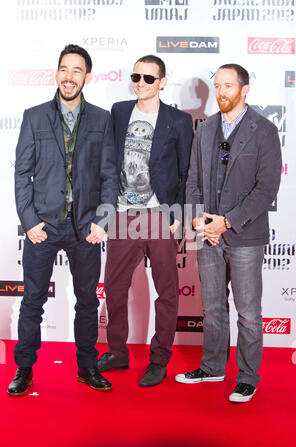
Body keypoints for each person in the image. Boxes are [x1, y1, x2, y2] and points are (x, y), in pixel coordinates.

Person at [8, 44, 118, 396]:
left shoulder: (102, 119)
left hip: (85, 228)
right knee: (33, 301)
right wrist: (29, 222)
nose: (69, 77)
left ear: (87, 76)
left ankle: (87, 366)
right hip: (44, 226)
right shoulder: (34, 116)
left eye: (77, 71)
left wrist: (103, 220)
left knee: (87, 301)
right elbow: (22, 173)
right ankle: (24, 368)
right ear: (57, 73)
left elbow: (109, 176)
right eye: (64, 69)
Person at [175, 64, 282, 403]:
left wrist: (228, 221)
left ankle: (248, 376)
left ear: (245, 89)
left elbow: (267, 189)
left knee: (248, 312)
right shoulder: (204, 130)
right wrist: (197, 221)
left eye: (228, 86)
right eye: (217, 85)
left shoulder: (263, 130)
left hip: (245, 236)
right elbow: (192, 181)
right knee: (212, 308)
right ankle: (212, 367)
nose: (221, 92)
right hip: (208, 235)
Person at [97, 55, 194, 387]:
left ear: (162, 82)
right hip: (123, 214)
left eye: (149, 78)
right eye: (136, 76)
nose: (141, 83)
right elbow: (108, 162)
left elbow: (186, 172)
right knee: (114, 288)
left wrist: (179, 215)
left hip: (159, 215)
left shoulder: (178, 120)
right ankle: (117, 352)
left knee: (166, 291)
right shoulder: (120, 111)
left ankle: (159, 359)